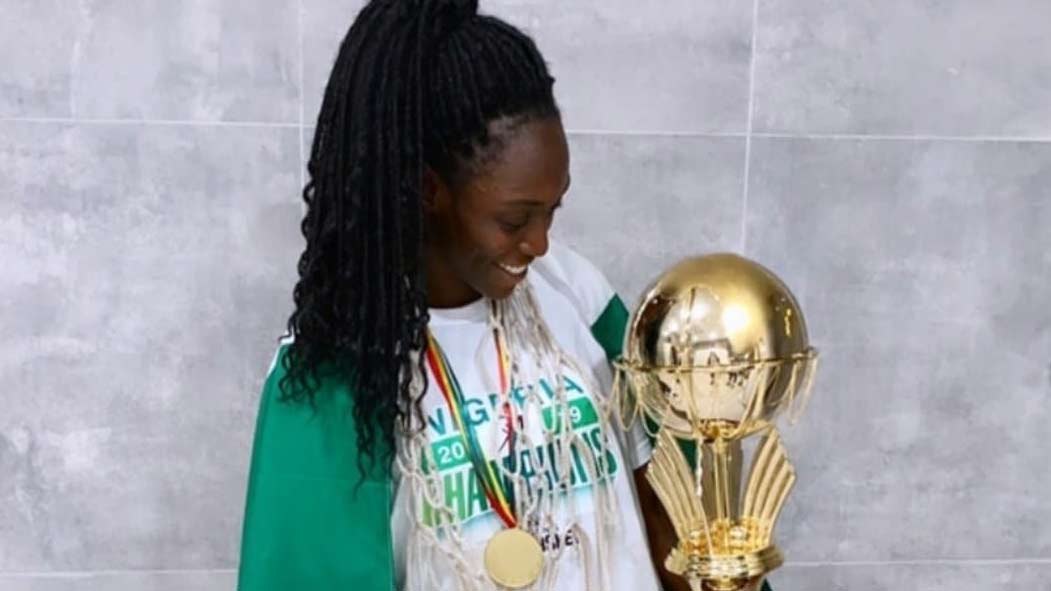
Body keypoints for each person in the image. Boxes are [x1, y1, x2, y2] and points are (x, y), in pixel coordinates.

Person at [237, 1, 769, 590]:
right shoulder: (335, 368)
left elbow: (669, 505)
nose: (539, 243)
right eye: (515, 220)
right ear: (427, 189)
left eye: (552, 210)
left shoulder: (574, 293)